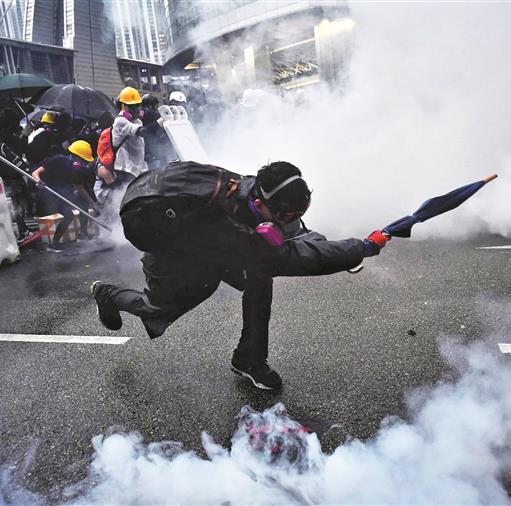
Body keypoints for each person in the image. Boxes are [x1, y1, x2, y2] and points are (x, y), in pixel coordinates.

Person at [90, 161, 390, 391]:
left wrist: (333, 250)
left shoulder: (252, 189)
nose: (291, 221)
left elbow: (297, 233)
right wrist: (357, 249)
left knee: (258, 277)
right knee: (161, 307)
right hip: (169, 240)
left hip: (193, 229)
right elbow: (289, 258)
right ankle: (108, 294)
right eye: (285, 217)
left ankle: (249, 359)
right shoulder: (226, 229)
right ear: (260, 205)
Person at [31, 140, 98, 252]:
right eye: (82, 160)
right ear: (75, 156)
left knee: (72, 212)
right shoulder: (58, 160)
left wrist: (92, 203)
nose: (83, 163)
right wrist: (38, 181)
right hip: (48, 193)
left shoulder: (78, 169)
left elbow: (79, 187)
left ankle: (66, 240)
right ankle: (51, 245)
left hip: (63, 193)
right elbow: (35, 173)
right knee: (66, 214)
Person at [111, 87, 149, 180]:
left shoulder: (137, 121)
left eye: (137, 105)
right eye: (132, 106)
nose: (136, 109)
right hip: (125, 169)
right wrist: (160, 122)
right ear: (123, 106)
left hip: (137, 168)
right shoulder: (120, 121)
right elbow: (142, 132)